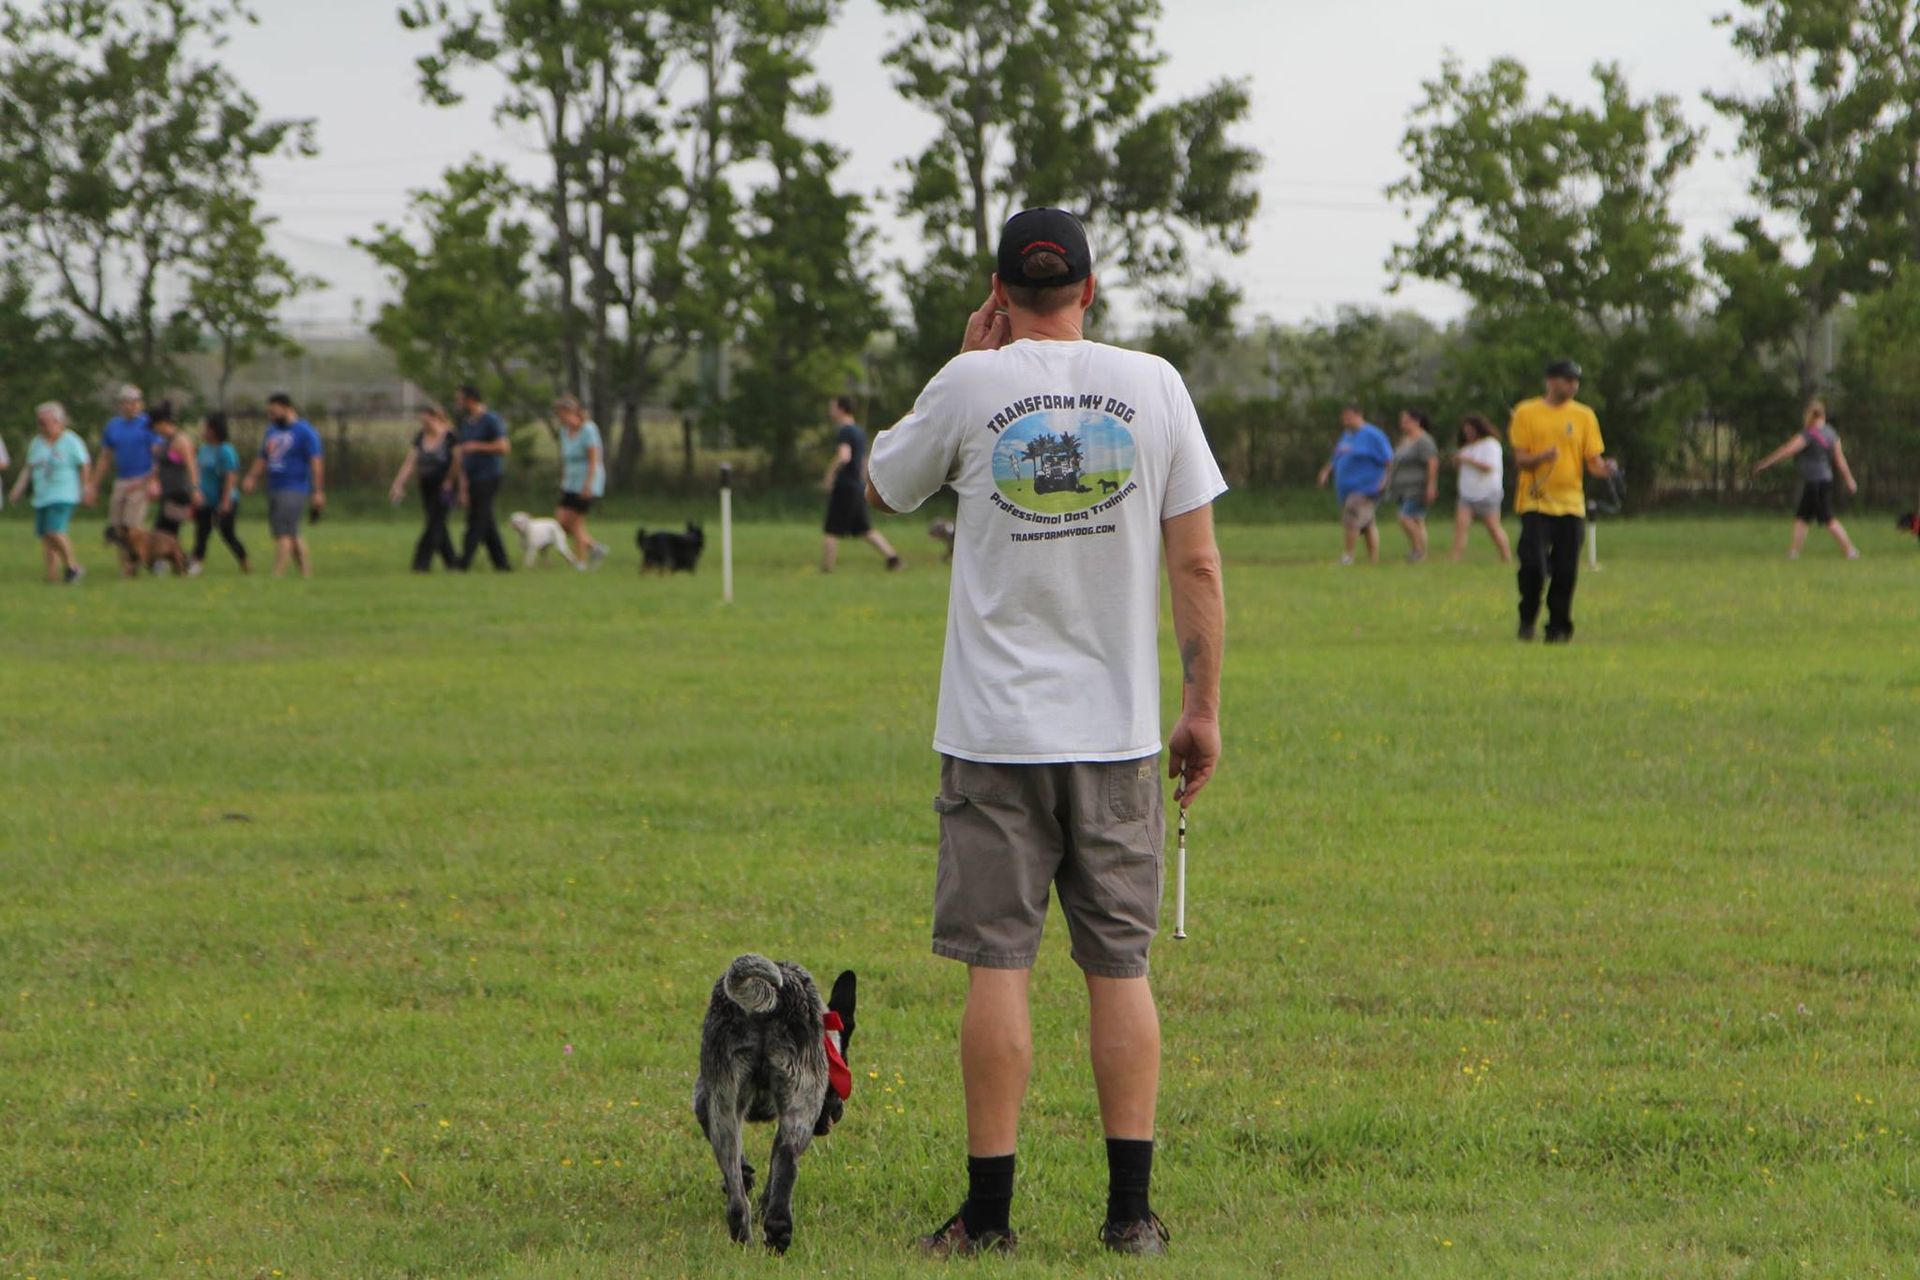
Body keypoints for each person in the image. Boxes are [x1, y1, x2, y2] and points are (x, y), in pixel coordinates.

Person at [865, 208, 1226, 1259]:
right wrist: (1199, 707)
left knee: (998, 967)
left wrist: (969, 360)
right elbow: (1197, 563)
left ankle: (987, 1217)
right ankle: (1129, 1214)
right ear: (1091, 285)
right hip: (1116, 735)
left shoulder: (972, 381)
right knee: (1120, 966)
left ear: (998, 289)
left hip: (992, 734)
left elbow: (885, 481)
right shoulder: (1155, 384)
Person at [1509, 359, 1618, 642]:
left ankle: (1558, 629)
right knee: (1534, 567)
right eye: (1567, 380)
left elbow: (1592, 461)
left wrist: (1604, 469)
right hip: (1536, 502)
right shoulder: (1526, 412)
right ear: (1551, 381)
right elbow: (1521, 460)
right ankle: (1527, 617)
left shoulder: (1584, 416)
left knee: (1566, 571)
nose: (1573, 385)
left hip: (1571, 504)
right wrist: (1542, 458)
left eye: (1576, 380)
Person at [1752, 400, 1860, 560]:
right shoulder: (1831, 433)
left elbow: (1787, 450)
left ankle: (1850, 551)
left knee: (1828, 519)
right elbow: (1840, 459)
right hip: (1824, 480)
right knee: (1802, 518)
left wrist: (1765, 463)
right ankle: (1793, 553)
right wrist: (1849, 479)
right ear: (1823, 414)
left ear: (1809, 415)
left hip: (1815, 482)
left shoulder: (1809, 434)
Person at [240, 393, 325, 578]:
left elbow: (316, 462)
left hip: (294, 488)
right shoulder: (271, 431)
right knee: (292, 531)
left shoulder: (305, 432)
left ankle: (277, 575)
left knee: (282, 532)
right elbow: (263, 457)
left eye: (274, 411)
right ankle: (306, 573)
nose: (271, 416)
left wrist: (317, 491)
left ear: (287, 408)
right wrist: (251, 477)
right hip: (274, 487)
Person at [8, 402, 89, 584]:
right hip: (42, 495)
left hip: (63, 493)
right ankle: (51, 575)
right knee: (46, 536)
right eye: (39, 422)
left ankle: (73, 567)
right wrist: (18, 489)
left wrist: (85, 488)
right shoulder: (37, 442)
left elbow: (84, 464)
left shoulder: (71, 441)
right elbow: (29, 468)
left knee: (54, 531)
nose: (41, 426)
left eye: (44, 422)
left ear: (57, 421)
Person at [821, 395, 901, 572]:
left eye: (832, 407)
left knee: (831, 529)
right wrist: (866, 482)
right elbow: (864, 460)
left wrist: (830, 474)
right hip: (857, 486)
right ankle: (893, 558)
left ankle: (827, 568)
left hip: (845, 485)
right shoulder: (859, 432)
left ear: (841, 409)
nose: (830, 411)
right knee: (864, 529)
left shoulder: (845, 431)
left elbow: (844, 456)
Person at [389, 403, 461, 572]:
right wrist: (398, 484)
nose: (424, 423)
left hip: (446, 487)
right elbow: (410, 462)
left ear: (436, 418)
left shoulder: (450, 437)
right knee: (437, 523)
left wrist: (450, 481)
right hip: (426, 487)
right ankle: (452, 562)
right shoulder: (421, 437)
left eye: (426, 419)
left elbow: (458, 460)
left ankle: (421, 563)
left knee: (434, 523)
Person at [1315, 405, 1392, 564]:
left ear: (1359, 415)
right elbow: (1337, 456)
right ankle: (1373, 560)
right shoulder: (1347, 435)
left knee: (1351, 518)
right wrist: (1325, 471)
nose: (1345, 421)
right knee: (1367, 524)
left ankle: (1348, 556)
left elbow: (1389, 460)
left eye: (1348, 417)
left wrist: (1385, 480)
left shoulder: (1373, 435)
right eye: (1343, 418)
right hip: (1347, 489)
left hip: (1366, 487)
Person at [453, 383, 512, 572]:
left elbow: (504, 447)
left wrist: (477, 446)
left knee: (476, 519)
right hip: (472, 476)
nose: (457, 403)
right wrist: (462, 484)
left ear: (470, 399)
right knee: (486, 521)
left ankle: (464, 562)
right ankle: (502, 564)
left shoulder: (491, 419)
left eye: (460, 399)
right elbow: (462, 452)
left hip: (489, 476)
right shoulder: (467, 422)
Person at [89, 384, 156, 540]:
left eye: (136, 402)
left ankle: (138, 560)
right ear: (121, 404)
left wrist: (153, 480)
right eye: (128, 402)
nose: (133, 406)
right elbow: (105, 457)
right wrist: (94, 484)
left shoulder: (148, 424)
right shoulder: (113, 426)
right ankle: (125, 563)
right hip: (122, 479)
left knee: (132, 526)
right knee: (116, 526)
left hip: (141, 479)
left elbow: (157, 454)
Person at [554, 395, 609, 568]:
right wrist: (563, 480)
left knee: (577, 523)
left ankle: (581, 560)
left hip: (587, 480)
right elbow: (565, 458)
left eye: (563, 414)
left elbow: (594, 459)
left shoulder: (588, 429)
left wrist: (588, 485)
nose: (561, 418)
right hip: (571, 481)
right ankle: (594, 547)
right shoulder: (564, 431)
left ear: (573, 412)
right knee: (562, 522)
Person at [189, 412, 248, 575]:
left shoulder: (226, 450)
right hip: (205, 500)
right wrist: (196, 492)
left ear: (214, 430)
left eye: (205, 427)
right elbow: (198, 472)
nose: (202, 431)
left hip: (224, 499)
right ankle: (196, 564)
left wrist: (226, 501)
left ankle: (245, 562)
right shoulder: (204, 449)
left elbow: (230, 476)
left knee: (227, 533)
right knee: (201, 533)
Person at [1450, 413, 1511, 563]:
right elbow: (1462, 469)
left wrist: (1467, 460)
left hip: (1487, 492)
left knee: (1493, 527)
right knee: (1460, 527)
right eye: (1465, 431)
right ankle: (1455, 558)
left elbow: (1489, 467)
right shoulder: (1466, 447)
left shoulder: (1491, 444)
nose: (1468, 433)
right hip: (1467, 493)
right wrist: (1457, 461)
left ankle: (1506, 558)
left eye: (1471, 430)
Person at [1387, 408, 1440, 562]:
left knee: (1405, 517)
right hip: (1402, 488)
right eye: (1401, 421)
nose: (1403, 424)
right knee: (1417, 520)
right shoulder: (1405, 440)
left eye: (1406, 421)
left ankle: (1418, 550)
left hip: (1417, 488)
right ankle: (1421, 554)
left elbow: (1432, 463)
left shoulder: (1424, 440)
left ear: (1416, 421)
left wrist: (1431, 486)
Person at [148, 402, 201, 543]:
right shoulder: (164, 442)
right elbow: (158, 467)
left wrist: (194, 489)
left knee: (166, 532)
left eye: (154, 425)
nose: (153, 429)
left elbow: (192, 467)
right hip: (167, 493)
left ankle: (178, 561)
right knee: (165, 532)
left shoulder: (181, 441)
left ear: (163, 423)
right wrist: (153, 483)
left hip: (179, 493)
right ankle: (174, 561)